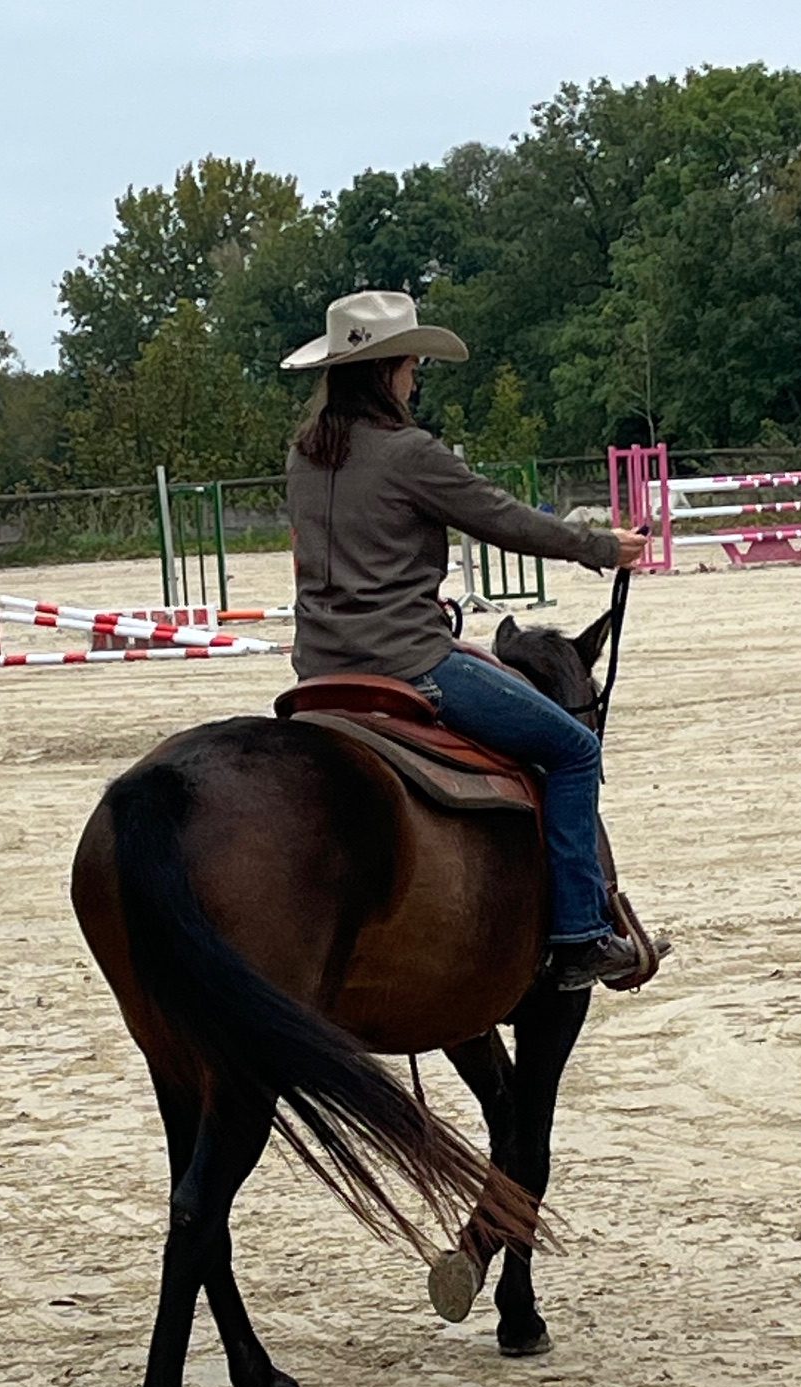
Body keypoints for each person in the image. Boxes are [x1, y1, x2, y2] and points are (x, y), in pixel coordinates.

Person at [283, 290, 651, 992]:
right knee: (575, 750)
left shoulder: (305, 458)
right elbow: (503, 518)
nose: (415, 377)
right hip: (411, 664)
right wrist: (602, 547)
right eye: (411, 364)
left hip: (316, 674)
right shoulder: (408, 453)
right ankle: (579, 932)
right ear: (387, 370)